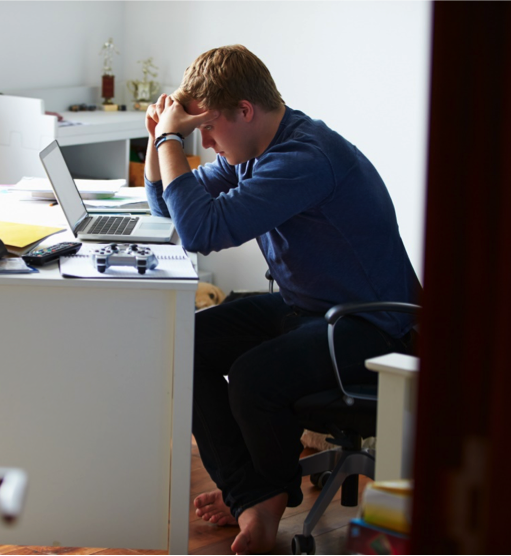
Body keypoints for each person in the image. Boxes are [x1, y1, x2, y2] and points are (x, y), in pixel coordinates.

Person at [143, 45, 421, 554]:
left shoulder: (304, 158)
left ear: (244, 111)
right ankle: (251, 494)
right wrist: (157, 139)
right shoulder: (254, 149)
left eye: (208, 128)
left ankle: (264, 504)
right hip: (311, 308)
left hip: (372, 326)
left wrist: (171, 140)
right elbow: (170, 209)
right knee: (183, 342)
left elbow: (202, 229)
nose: (203, 142)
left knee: (253, 376)